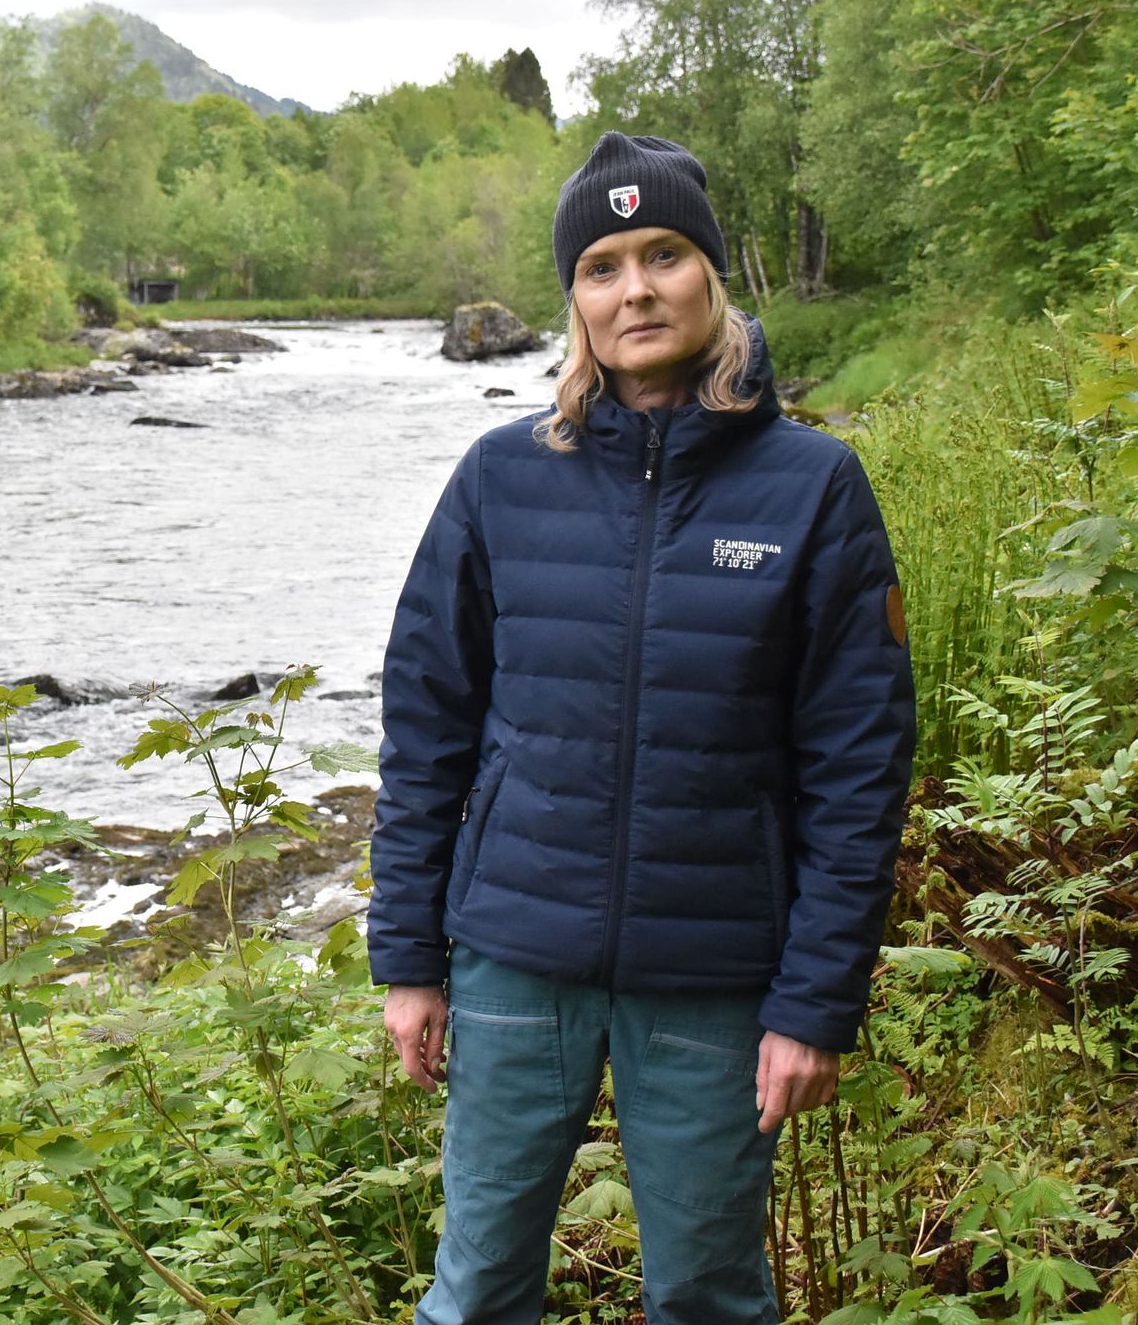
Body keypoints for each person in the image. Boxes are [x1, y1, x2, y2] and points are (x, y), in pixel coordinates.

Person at [367, 131, 917, 1325]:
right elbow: (425, 727)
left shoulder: (812, 485)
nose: (635, 288)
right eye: (602, 265)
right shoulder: (497, 479)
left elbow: (857, 766)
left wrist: (815, 999)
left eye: (662, 254)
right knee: (473, 1292)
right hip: (514, 958)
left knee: (711, 1294)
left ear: (708, 275)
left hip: (715, 979)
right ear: (573, 299)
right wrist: (408, 954)